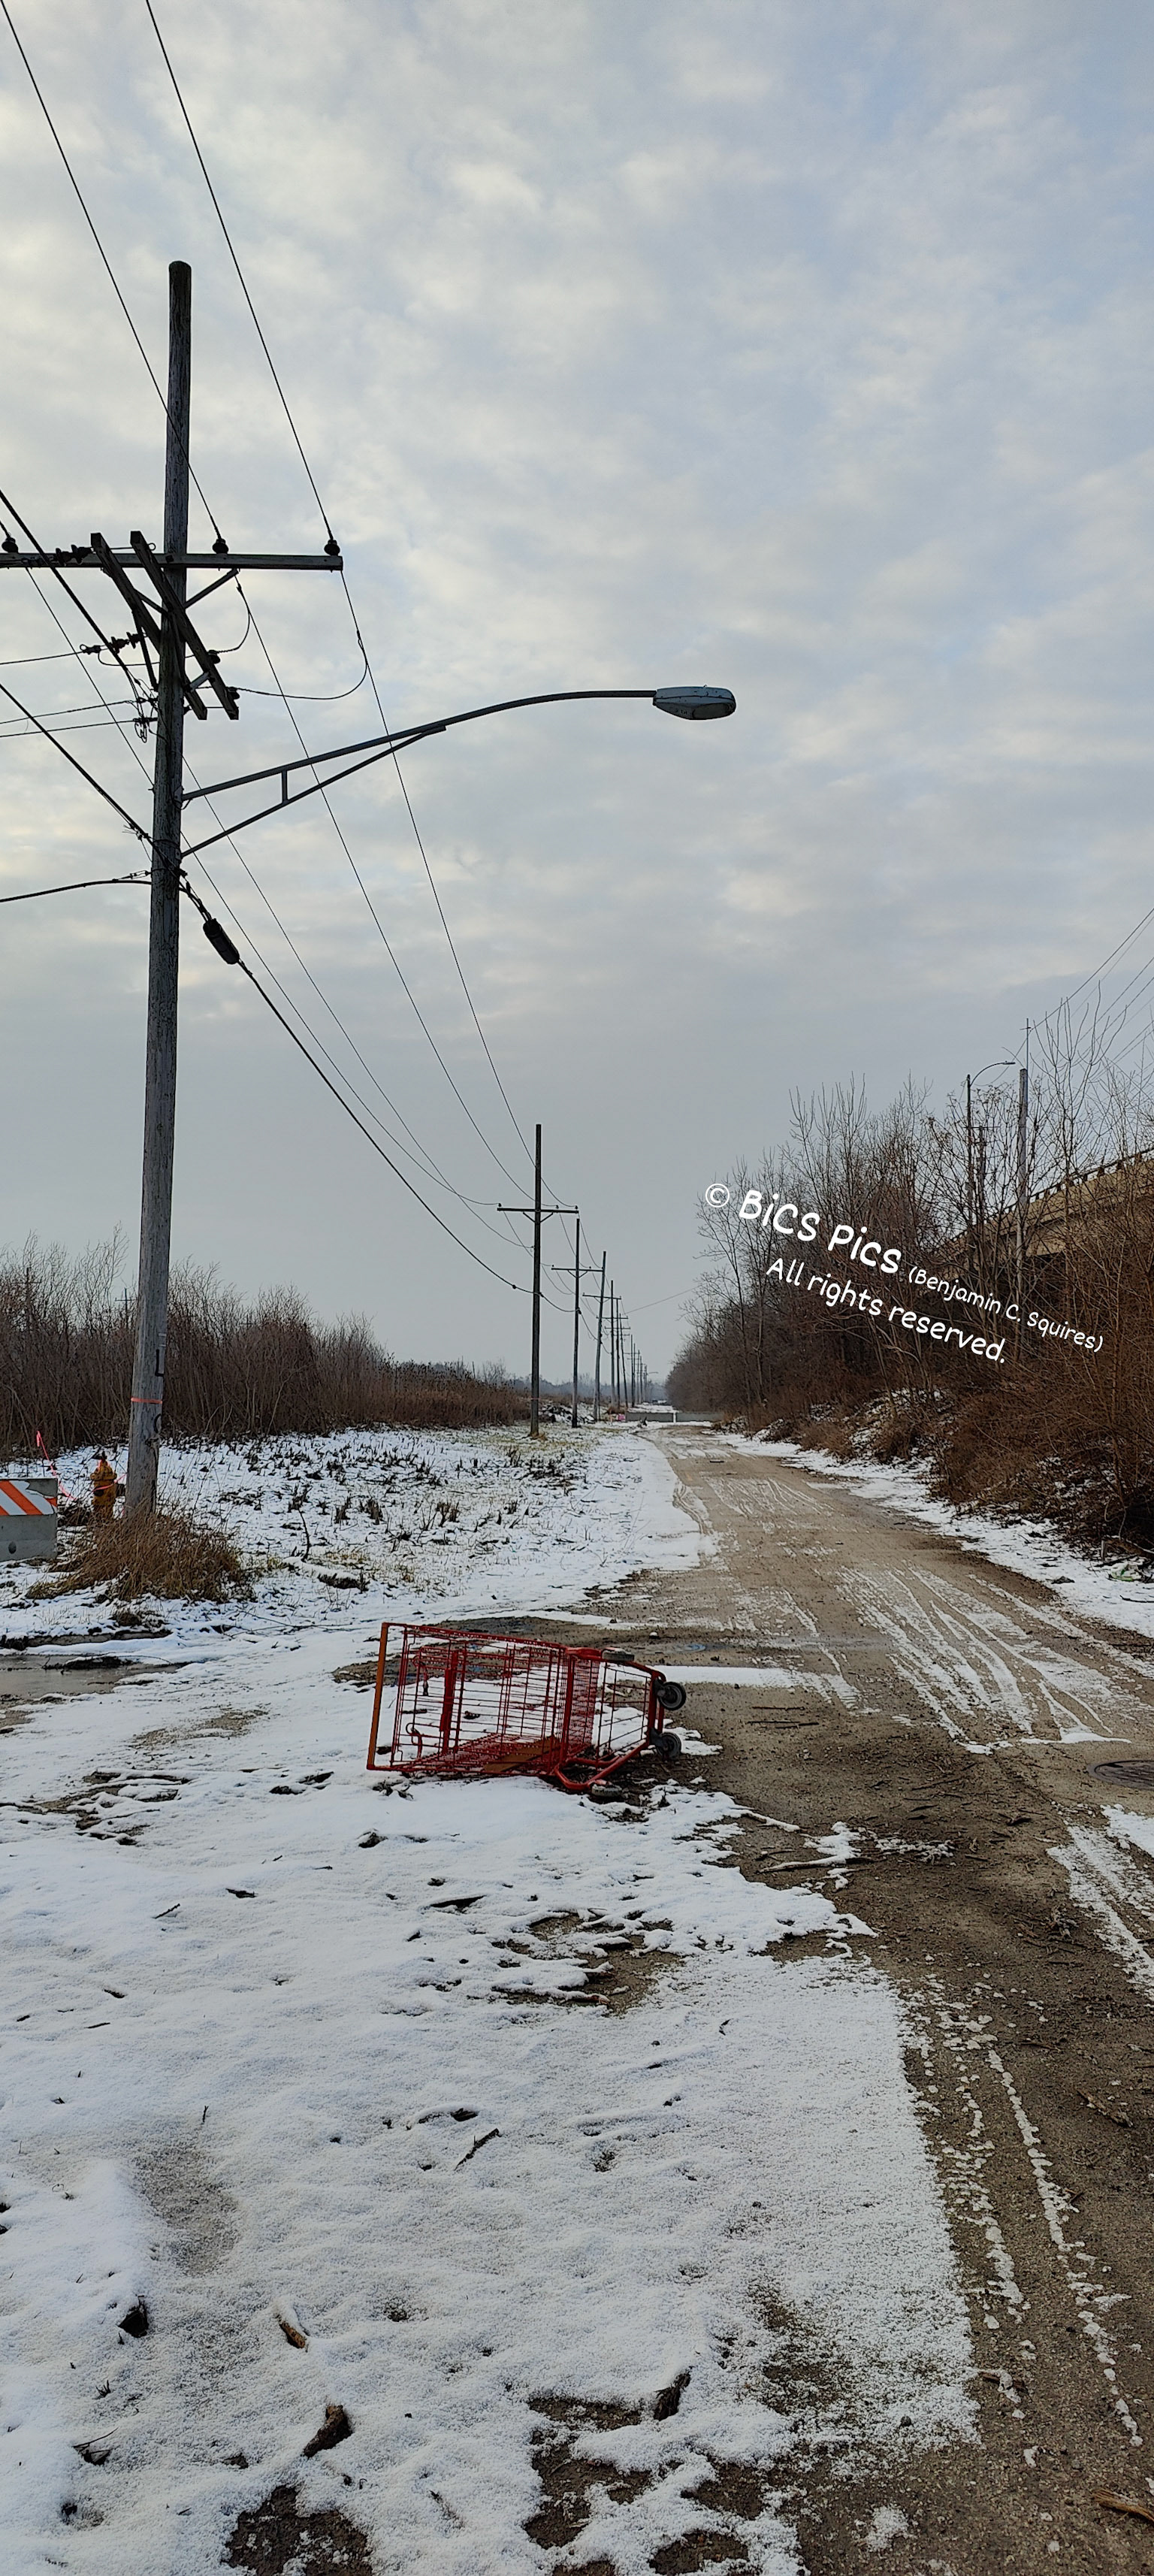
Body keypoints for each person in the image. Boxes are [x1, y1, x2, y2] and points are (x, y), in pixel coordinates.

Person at [92, 1452, 116, 1522]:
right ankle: (107, 1519)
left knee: (100, 1508)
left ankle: (101, 1520)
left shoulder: (100, 1470)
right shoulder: (109, 1470)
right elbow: (113, 1476)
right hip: (108, 1495)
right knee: (108, 1508)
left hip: (101, 1495)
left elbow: (97, 1477)